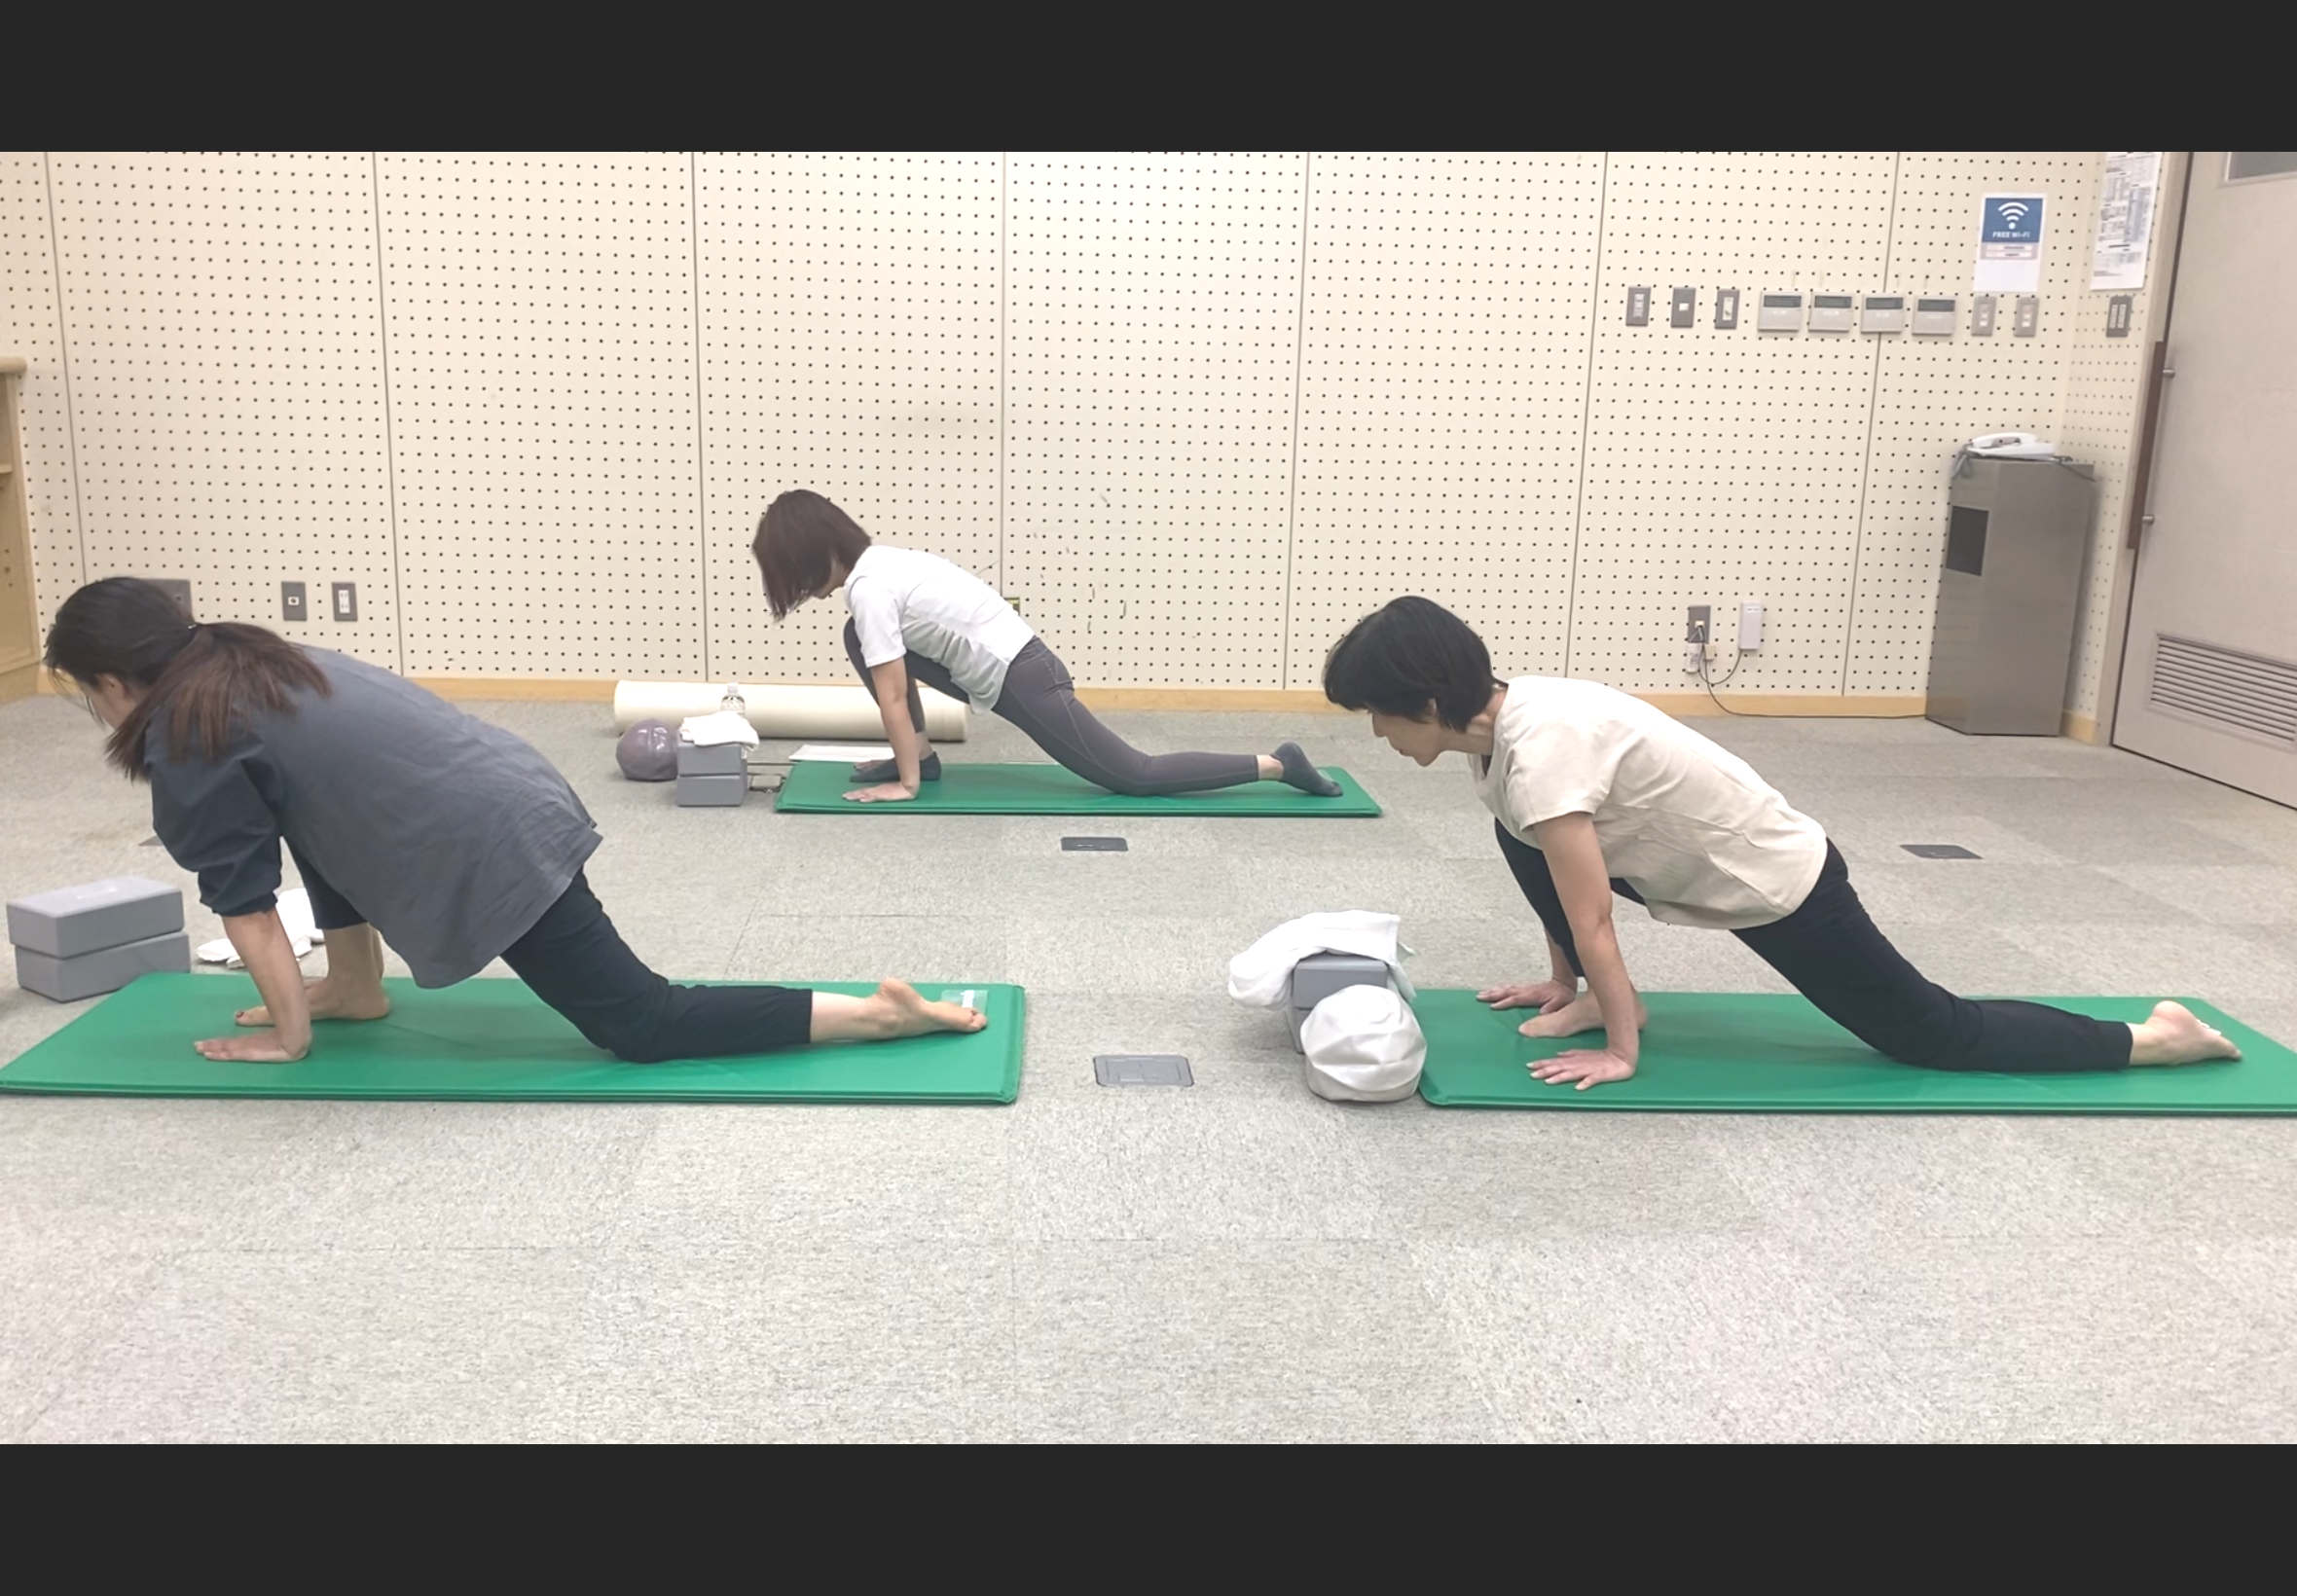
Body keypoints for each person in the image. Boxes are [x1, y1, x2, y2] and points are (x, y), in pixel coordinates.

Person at [43, 577, 985, 1065]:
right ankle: (354, 987)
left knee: (641, 1022)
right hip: (495, 789)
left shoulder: (192, 732)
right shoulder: (238, 659)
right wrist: (341, 985)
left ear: (114, 680)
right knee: (316, 817)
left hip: (490, 835)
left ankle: (874, 1015)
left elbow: (245, 904)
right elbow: (321, 821)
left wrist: (286, 1038)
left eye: (87, 692)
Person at [1322, 596, 2242, 1089]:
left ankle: (2152, 1040)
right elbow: (1548, 865)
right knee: (1521, 835)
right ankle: (1586, 996)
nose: (1378, 734)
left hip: (1776, 882)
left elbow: (1592, 912)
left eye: (1377, 715)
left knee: (1928, 1033)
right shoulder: (1503, 729)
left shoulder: (1545, 749)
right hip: (1679, 860)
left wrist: (1624, 1048)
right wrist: (1565, 983)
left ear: (1429, 703)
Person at [752, 490, 1344, 804]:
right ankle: (923, 757)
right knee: (859, 638)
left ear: (814, 554)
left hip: (1023, 675)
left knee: (1133, 775)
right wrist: (914, 759)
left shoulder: (870, 587)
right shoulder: (880, 565)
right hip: (1002, 663)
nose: (797, 590)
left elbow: (891, 696)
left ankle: (1275, 764)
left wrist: (903, 786)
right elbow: (894, 673)